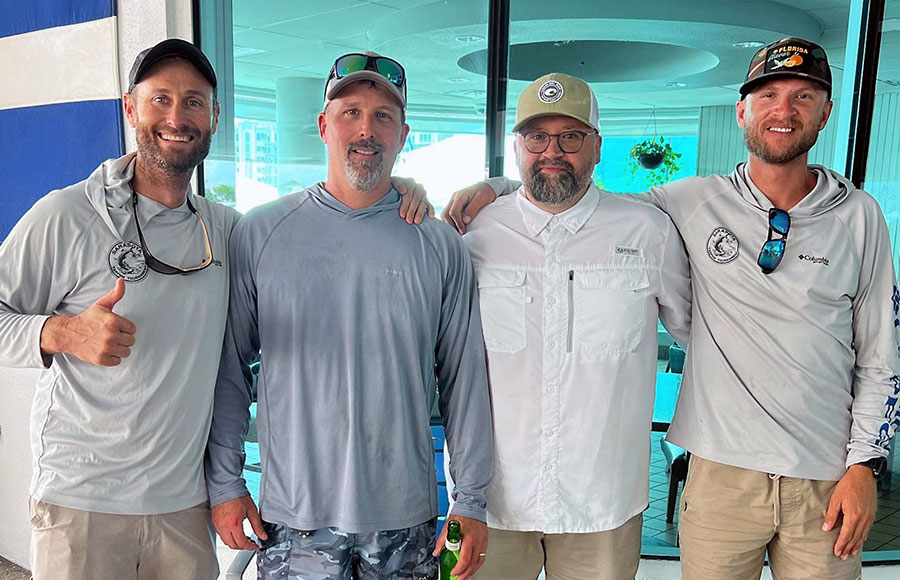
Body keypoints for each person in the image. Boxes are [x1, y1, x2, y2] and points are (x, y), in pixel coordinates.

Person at [439, 37, 899, 580]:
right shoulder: (475, 236)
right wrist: (491, 189)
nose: (783, 110)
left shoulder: (859, 216)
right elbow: (563, 200)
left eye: (803, 96)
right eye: (535, 138)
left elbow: (879, 352)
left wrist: (866, 463)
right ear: (742, 110)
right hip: (530, 495)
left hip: (793, 479)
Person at [205, 51, 493, 580]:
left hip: (405, 519)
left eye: (383, 115)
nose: (367, 129)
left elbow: (464, 382)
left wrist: (471, 500)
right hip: (293, 520)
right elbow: (229, 371)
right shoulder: (260, 233)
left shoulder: (437, 244)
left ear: (403, 134)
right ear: (323, 126)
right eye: (350, 112)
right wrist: (226, 484)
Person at [0, 39, 234, 579]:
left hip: (182, 508)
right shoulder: (64, 215)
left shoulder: (223, 231)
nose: (177, 117)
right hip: (82, 503)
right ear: (130, 108)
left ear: (214, 117)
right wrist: (59, 333)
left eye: (194, 102)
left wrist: (407, 191)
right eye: (160, 99)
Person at [451, 72, 691, 580]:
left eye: (571, 137)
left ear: (597, 146)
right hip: (487, 500)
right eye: (536, 137)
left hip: (602, 502)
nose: (551, 151)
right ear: (517, 148)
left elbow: (699, 335)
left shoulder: (647, 232)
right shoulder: (471, 235)